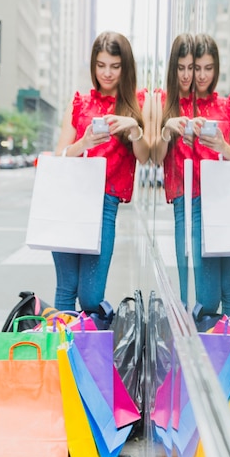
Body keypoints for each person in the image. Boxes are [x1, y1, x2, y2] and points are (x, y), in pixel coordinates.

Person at [52, 31, 150, 314]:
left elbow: (144, 157)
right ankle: (67, 355)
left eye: (115, 66)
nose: (107, 73)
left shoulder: (135, 105)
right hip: (70, 201)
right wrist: (82, 143)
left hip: (106, 203)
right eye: (101, 65)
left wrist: (133, 128)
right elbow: (59, 154)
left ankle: (95, 337)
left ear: (125, 67)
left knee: (91, 296)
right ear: (93, 65)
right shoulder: (80, 103)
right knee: (65, 288)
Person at [191, 33, 230, 316]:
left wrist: (223, 146)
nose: (202, 75)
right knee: (208, 298)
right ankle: (209, 352)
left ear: (216, 69)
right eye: (197, 68)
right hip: (200, 205)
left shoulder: (228, 106)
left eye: (208, 68)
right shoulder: (184, 108)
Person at [153, 33, 195, 307]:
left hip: (209, 194)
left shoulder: (204, 101)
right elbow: (156, 157)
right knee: (184, 267)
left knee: (204, 279)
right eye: (181, 68)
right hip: (181, 197)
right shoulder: (163, 102)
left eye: (191, 67)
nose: (187, 75)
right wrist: (167, 129)